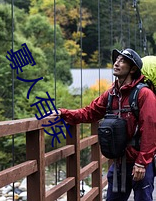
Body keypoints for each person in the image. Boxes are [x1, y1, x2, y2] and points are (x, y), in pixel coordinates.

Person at [50, 48, 156, 201]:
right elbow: (89, 112)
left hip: (139, 164)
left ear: (133, 69)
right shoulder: (111, 94)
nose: (116, 63)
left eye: (122, 61)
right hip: (119, 162)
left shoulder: (145, 95)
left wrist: (142, 163)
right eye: (116, 59)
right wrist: (64, 113)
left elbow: (150, 130)